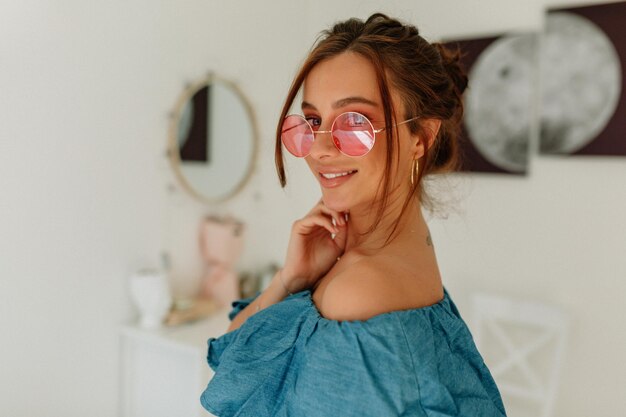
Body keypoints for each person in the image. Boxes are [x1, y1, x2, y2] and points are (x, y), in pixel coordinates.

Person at [201, 13, 507, 417]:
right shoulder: (405, 266)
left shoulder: (358, 294)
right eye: (312, 120)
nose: (319, 149)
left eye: (355, 122)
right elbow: (230, 357)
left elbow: (232, 374)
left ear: (421, 137)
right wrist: (291, 279)